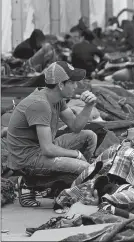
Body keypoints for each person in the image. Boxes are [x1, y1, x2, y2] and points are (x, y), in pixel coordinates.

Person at [4, 61, 98, 206]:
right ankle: (30, 182)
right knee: (85, 168)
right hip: (27, 160)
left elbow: (75, 126)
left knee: (90, 136)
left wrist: (88, 106)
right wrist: (76, 154)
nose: (76, 86)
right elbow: (48, 149)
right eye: (72, 82)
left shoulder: (56, 99)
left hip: (40, 150)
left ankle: (66, 183)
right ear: (61, 85)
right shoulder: (40, 104)